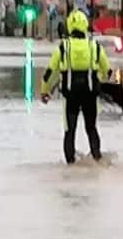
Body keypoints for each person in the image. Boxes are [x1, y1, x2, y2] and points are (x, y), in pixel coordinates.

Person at [40, 9, 112, 163]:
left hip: (70, 96)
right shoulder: (94, 46)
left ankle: (70, 164)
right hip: (90, 95)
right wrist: (101, 78)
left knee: (69, 131)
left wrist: (44, 92)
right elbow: (108, 70)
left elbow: (49, 72)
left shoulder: (63, 47)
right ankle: (97, 158)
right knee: (91, 128)